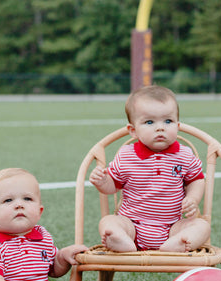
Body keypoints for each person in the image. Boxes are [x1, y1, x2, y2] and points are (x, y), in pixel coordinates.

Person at [89, 85, 210, 253]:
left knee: (202, 225)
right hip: (132, 226)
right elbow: (113, 186)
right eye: (149, 122)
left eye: (168, 121)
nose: (160, 128)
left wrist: (193, 199)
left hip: (172, 229)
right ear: (133, 131)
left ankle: (179, 243)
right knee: (108, 221)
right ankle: (119, 239)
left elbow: (196, 180)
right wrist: (102, 181)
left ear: (178, 125)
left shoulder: (184, 154)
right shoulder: (126, 156)